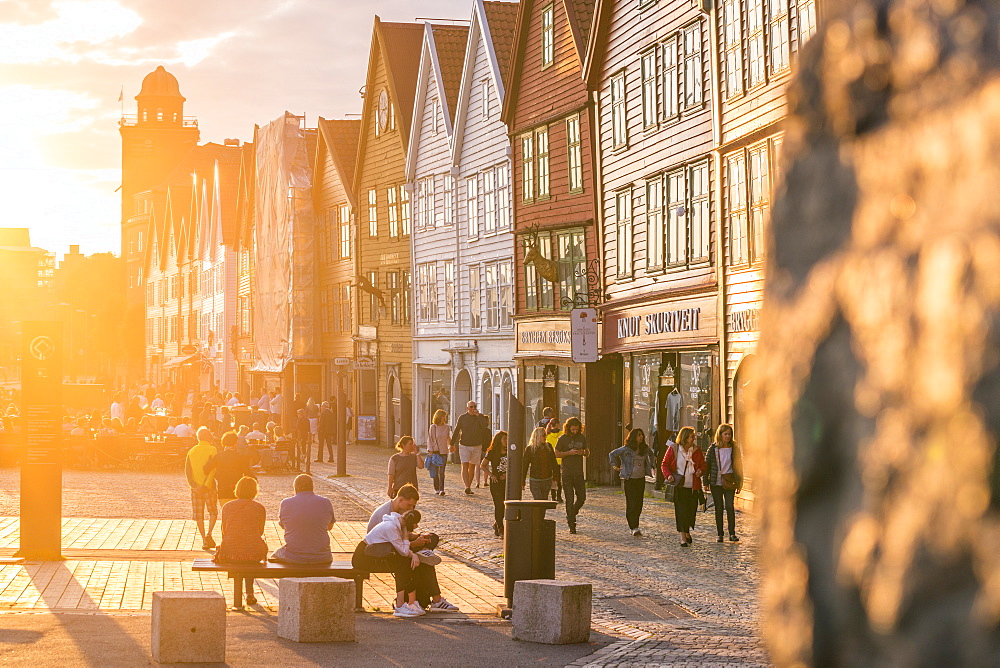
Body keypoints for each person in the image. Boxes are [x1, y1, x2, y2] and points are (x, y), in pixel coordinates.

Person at [357, 484, 458, 613]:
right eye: (409, 505)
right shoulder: (384, 514)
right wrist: (413, 546)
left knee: (431, 541)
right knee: (419, 561)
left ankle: (424, 599)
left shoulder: (399, 514)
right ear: (400, 500)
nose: (410, 509)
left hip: (394, 548)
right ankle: (428, 601)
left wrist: (418, 537)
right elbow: (387, 545)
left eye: (413, 507)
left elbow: (402, 535)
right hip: (379, 555)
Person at [214, 476, 268, 605]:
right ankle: (249, 593)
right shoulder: (259, 508)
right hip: (254, 554)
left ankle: (240, 597)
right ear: (254, 490)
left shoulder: (227, 507)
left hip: (230, 553)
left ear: (237, 490)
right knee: (249, 551)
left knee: (240, 549)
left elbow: (224, 530)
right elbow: (260, 531)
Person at [270, 474, 335, 563]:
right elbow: (329, 527)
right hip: (322, 556)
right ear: (312, 487)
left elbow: (284, 526)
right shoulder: (326, 502)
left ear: (295, 488)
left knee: (274, 555)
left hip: (293, 556)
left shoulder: (285, 503)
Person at [662, 426, 705, 547]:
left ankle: (687, 531)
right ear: (685, 437)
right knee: (681, 511)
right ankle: (682, 536)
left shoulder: (696, 450)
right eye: (692, 436)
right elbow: (664, 464)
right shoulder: (674, 449)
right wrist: (669, 475)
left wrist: (700, 471)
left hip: (693, 486)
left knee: (691, 511)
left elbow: (703, 465)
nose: (694, 438)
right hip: (679, 485)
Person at [609, 428, 657, 536]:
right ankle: (633, 526)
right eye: (639, 435)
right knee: (631, 503)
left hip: (640, 478)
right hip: (630, 479)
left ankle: (636, 524)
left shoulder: (644, 448)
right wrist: (615, 465)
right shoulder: (626, 449)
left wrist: (651, 464)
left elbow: (652, 454)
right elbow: (612, 454)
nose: (641, 437)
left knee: (639, 503)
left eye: (642, 435)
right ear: (633, 436)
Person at [703, 424, 743, 542]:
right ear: (720, 435)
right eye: (725, 434)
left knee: (729, 506)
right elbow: (707, 465)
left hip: (730, 481)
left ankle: (732, 533)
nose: (727, 436)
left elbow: (739, 466)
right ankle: (720, 534)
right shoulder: (713, 448)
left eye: (729, 434)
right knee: (718, 508)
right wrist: (705, 481)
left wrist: (740, 482)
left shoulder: (734, 448)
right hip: (716, 482)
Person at [185, 427, 219, 550]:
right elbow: (213, 468)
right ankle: (210, 533)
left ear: (198, 437)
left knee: (199, 514)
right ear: (209, 437)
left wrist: (194, 485)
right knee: (213, 512)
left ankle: (204, 539)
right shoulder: (212, 449)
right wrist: (206, 484)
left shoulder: (192, 451)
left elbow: (188, 471)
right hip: (209, 487)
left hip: (196, 488)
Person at [555, 417, 589, 534]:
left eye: (576, 429)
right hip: (567, 473)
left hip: (579, 473)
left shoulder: (582, 437)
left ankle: (571, 513)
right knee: (569, 499)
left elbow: (587, 452)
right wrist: (568, 453)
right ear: (568, 428)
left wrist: (583, 452)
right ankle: (572, 524)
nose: (574, 431)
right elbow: (556, 454)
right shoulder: (563, 439)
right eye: (573, 429)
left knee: (582, 498)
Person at [205, 431, 253, 506]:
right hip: (236, 490)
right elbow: (248, 474)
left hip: (223, 489)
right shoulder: (241, 457)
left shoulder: (219, 456)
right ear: (235, 443)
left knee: (226, 512)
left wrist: (217, 476)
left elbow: (206, 469)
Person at [452, 401, 489, 496]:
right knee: (465, 465)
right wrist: (452, 444)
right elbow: (456, 430)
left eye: (475, 406)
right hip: (464, 444)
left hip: (476, 445)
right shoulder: (462, 418)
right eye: (471, 407)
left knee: (472, 466)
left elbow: (485, 427)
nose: (473, 408)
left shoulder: (480, 417)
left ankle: (469, 486)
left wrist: (478, 416)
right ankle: (467, 486)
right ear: (467, 408)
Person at [482, 431, 508, 537]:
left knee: (506, 505)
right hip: (496, 482)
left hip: (507, 482)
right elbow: (483, 465)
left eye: (507, 439)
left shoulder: (509, 452)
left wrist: (507, 474)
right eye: (504, 439)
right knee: (498, 505)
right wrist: (491, 475)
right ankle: (500, 527)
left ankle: (497, 523)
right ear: (499, 440)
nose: (506, 441)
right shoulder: (492, 452)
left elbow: (514, 465)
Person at [522, 427, 557, 501]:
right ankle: (537, 513)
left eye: (545, 435)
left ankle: (541, 513)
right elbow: (524, 466)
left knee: (544, 500)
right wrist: (522, 481)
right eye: (543, 435)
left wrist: (556, 477)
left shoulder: (548, 447)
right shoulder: (530, 449)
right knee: (538, 500)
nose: (545, 437)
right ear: (537, 436)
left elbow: (554, 463)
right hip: (535, 479)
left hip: (547, 478)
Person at [426, 410, 452, 496]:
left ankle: (441, 489)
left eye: (445, 416)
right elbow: (430, 439)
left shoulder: (447, 427)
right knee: (435, 471)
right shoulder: (433, 427)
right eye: (443, 416)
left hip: (444, 451)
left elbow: (448, 437)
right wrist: (430, 451)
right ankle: (436, 488)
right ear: (439, 417)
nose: (445, 418)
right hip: (435, 451)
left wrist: (451, 445)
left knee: (442, 471)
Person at [545, 418, 564, 503]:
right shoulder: (562, 434)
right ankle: (559, 497)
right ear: (557, 424)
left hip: (551, 461)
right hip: (561, 459)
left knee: (554, 480)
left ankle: (553, 496)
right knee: (559, 480)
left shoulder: (548, 436)